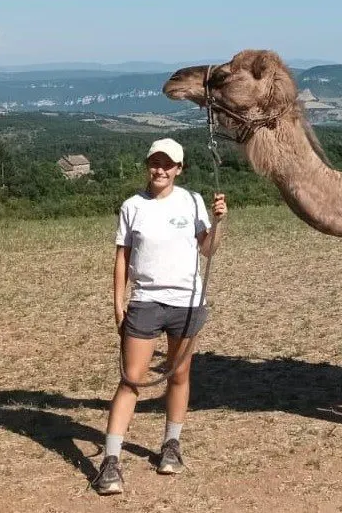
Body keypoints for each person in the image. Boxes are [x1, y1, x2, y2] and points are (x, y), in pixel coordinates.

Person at [92, 137, 227, 496]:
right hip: (146, 302)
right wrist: (118, 302)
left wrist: (217, 223)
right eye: (155, 162)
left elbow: (207, 249)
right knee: (132, 379)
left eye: (168, 164)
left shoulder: (193, 201)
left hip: (186, 301)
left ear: (179, 169)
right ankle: (111, 460)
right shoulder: (132, 206)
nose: (160, 169)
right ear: (148, 165)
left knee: (179, 374)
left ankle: (171, 445)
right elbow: (122, 257)